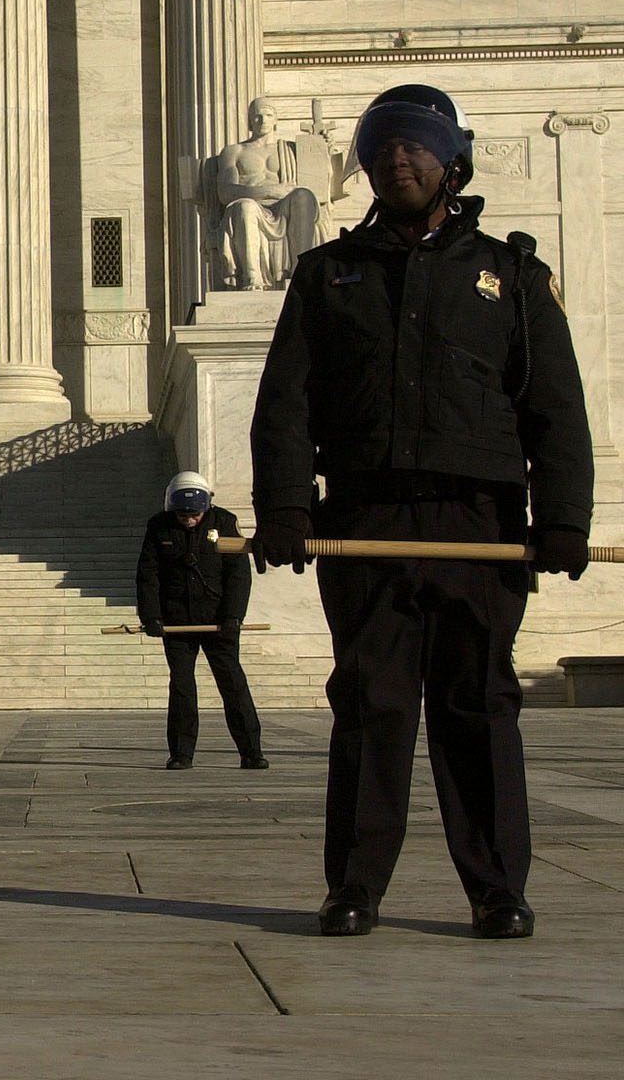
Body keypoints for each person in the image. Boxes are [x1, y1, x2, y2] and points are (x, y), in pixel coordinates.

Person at [250, 84, 594, 940]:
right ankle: (355, 886)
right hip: (365, 519)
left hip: (477, 524)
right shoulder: (330, 274)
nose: (398, 160)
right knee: (372, 705)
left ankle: (497, 890)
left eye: (416, 145)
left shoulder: (512, 276)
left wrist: (563, 518)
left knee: (477, 705)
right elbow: (286, 402)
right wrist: (287, 506)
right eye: (384, 148)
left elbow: (555, 404)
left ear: (452, 161)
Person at [134, 471, 266, 771]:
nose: (189, 520)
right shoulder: (158, 526)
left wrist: (234, 615)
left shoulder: (225, 522)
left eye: (194, 514)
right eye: (183, 515)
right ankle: (181, 753)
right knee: (181, 685)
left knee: (232, 683)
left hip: (219, 619)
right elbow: (148, 573)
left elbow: (238, 574)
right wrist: (151, 616)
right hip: (177, 621)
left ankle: (251, 751)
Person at [213, 97, 334, 291]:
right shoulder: (234, 151)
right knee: (245, 207)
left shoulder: (291, 149)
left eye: (268, 115)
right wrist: (269, 190)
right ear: (250, 121)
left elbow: (320, 181)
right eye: (257, 116)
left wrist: (323, 149)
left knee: (303, 196)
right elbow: (226, 192)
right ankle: (253, 278)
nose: (263, 120)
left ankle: (300, 272)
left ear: (276, 119)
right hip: (252, 209)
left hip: (285, 209)